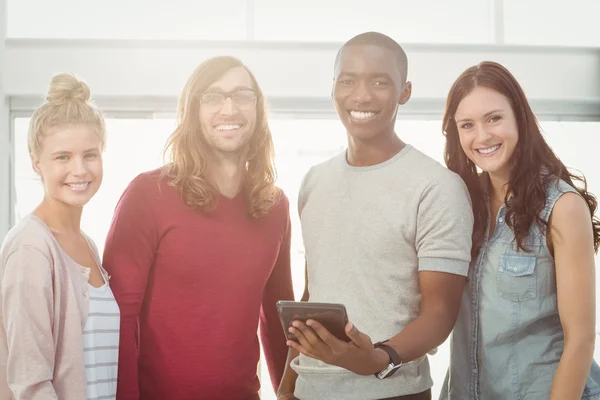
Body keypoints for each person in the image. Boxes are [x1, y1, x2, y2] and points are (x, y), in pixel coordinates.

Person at [276, 32, 474, 400]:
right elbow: (314, 292)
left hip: (395, 394)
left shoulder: (437, 187)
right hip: (309, 392)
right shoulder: (313, 181)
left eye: (380, 82)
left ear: (405, 91)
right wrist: (288, 386)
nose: (362, 95)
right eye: (348, 81)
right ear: (333, 88)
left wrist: (379, 358)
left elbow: (440, 313)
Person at [103, 56, 294, 400]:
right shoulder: (148, 195)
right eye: (213, 97)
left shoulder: (275, 207)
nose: (229, 108)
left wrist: (288, 394)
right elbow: (118, 320)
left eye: (242, 95)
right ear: (192, 111)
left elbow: (278, 319)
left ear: (258, 110)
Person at [439, 61, 600, 400]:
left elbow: (582, 337)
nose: (482, 136)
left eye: (494, 118)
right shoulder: (461, 204)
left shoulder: (562, 207)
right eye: (467, 125)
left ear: (519, 119)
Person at [0, 73, 118, 399]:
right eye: (62, 157)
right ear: (36, 163)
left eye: (90, 154)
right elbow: (30, 383)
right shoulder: (31, 247)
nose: (79, 169)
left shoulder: (88, 246)